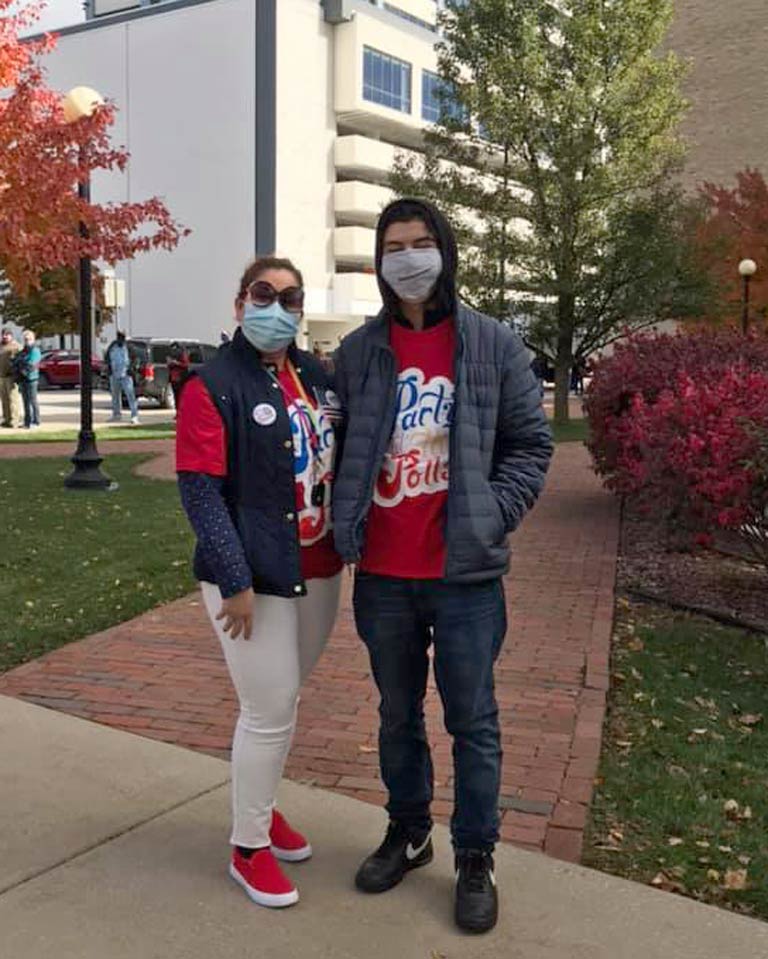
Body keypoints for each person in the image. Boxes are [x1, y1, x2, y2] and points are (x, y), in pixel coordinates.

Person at [332, 199, 553, 934]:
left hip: (465, 577)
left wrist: (494, 511)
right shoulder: (361, 351)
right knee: (398, 715)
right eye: (394, 246)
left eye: (422, 243)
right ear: (379, 262)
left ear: (446, 251)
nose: (409, 257)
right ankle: (409, 830)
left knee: (473, 720)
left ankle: (477, 854)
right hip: (385, 577)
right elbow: (338, 444)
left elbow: (531, 444)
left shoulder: (491, 344)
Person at [176, 256, 343, 909]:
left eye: (291, 297)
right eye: (264, 293)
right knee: (267, 708)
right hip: (252, 578)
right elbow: (200, 492)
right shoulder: (211, 384)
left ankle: (261, 805)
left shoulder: (314, 376)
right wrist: (234, 576)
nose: (278, 306)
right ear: (241, 300)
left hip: (320, 568)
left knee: (284, 701)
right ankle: (248, 846)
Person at [105, 331, 140, 425]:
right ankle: (116, 414)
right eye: (119, 337)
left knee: (130, 396)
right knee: (115, 396)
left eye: (122, 337)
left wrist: (131, 369)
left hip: (126, 375)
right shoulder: (112, 346)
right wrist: (109, 369)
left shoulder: (129, 347)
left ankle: (134, 416)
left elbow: (136, 359)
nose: (120, 339)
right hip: (114, 374)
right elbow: (107, 357)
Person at [13, 330, 42, 429]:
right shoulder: (23, 351)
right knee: (25, 401)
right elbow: (16, 362)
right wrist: (19, 368)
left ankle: (36, 421)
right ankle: (27, 421)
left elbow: (31, 365)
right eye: (25, 339)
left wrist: (22, 369)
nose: (27, 341)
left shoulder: (35, 350)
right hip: (23, 379)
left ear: (33, 339)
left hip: (31, 379)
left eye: (29, 339)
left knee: (32, 400)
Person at [0, 328, 22, 428]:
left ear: (11, 336)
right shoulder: (1, 346)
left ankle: (14, 420)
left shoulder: (16, 346)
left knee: (13, 399)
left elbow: (21, 361)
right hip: (1, 376)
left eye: (7, 335)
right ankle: (7, 419)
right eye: (3, 334)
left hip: (11, 377)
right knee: (4, 400)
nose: (5, 336)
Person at [167, 341, 191, 410]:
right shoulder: (171, 355)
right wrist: (170, 363)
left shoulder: (182, 354)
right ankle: (178, 411)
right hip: (173, 378)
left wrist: (176, 363)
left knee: (181, 395)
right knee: (176, 396)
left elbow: (186, 365)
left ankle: (182, 410)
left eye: (174, 349)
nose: (173, 350)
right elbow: (169, 366)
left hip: (181, 377)